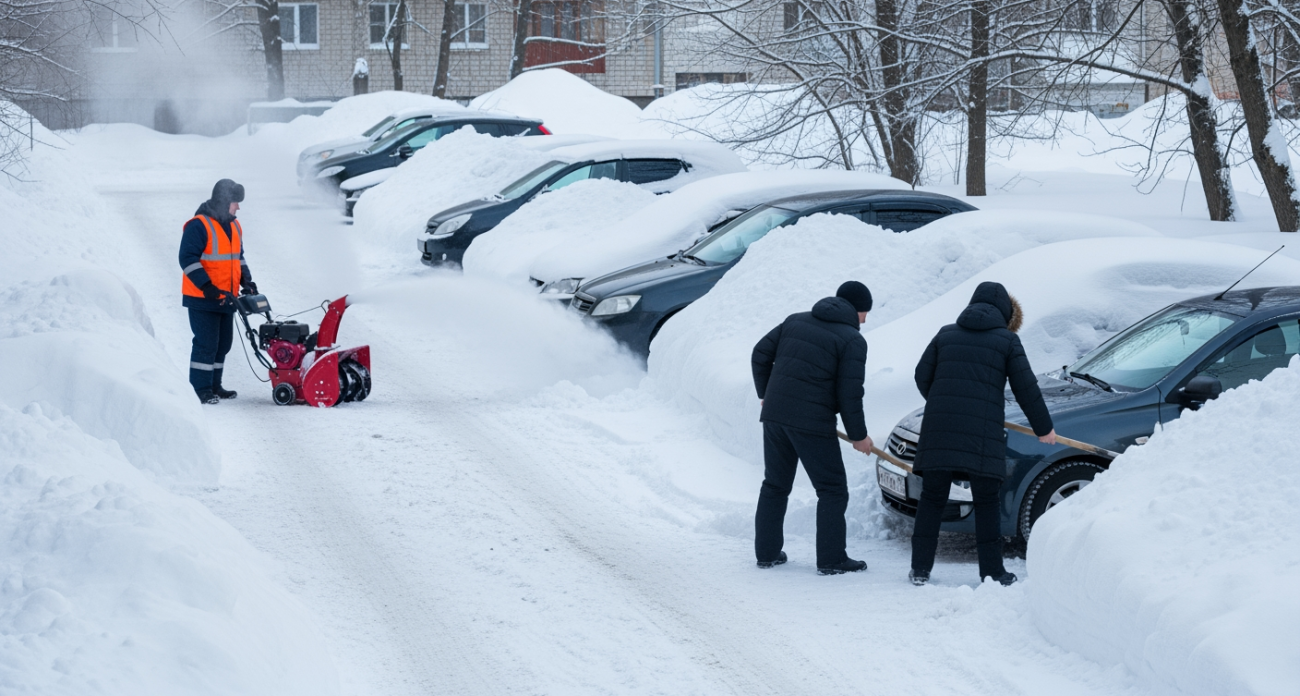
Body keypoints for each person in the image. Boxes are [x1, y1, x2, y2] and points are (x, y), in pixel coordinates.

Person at [909, 281, 1055, 587]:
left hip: (939, 431)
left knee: (932, 498)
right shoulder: (1007, 341)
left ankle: (920, 570)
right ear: (1005, 312)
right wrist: (1044, 428)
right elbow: (1026, 388)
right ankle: (992, 572)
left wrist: (942, 403)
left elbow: (922, 375)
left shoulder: (946, 334)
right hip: (982, 435)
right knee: (987, 501)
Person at [751, 281, 876, 575]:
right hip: (811, 422)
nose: (866, 320)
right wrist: (859, 436)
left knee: (775, 484)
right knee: (832, 490)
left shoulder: (795, 320)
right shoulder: (852, 340)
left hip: (775, 415)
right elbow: (850, 394)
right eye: (865, 313)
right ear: (856, 310)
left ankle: (766, 553)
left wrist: (766, 394)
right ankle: (832, 560)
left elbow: (760, 353)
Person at [179, 179, 257, 404]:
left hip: (226, 298)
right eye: (235, 202)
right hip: (203, 298)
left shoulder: (234, 225)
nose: (238, 207)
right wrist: (206, 286)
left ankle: (215, 386)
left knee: (223, 344)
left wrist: (247, 282)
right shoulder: (199, 225)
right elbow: (187, 258)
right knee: (206, 344)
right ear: (224, 201)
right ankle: (200, 390)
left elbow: (237, 258)